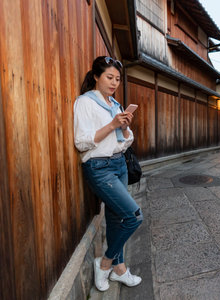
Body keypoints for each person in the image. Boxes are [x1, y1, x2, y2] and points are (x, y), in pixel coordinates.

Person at [73, 56, 143, 291]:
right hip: (99, 168)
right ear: (96, 76)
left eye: (117, 79)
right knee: (134, 216)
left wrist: (123, 127)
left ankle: (119, 269)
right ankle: (104, 264)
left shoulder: (115, 104)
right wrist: (112, 125)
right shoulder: (85, 103)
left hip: (119, 164)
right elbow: (82, 142)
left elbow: (125, 140)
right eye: (109, 77)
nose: (114, 83)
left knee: (116, 219)